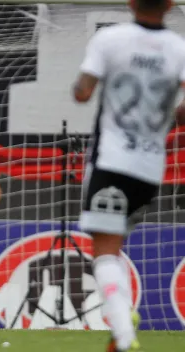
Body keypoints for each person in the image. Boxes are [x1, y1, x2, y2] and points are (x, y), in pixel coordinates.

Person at [73, 0, 185, 350]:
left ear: (130, 3)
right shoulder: (179, 49)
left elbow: (83, 93)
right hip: (151, 169)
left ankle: (123, 335)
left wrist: (89, 81)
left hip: (111, 162)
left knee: (104, 252)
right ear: (169, 5)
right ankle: (122, 315)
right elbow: (182, 116)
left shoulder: (110, 39)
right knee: (116, 247)